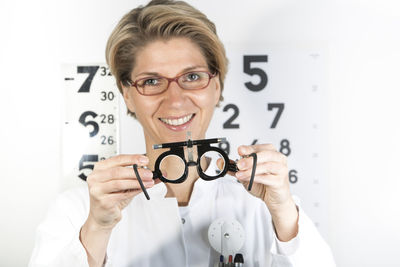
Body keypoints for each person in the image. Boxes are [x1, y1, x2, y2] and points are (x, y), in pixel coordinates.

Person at [29, 0, 336, 266]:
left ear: (216, 87)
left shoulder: (263, 204)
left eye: (192, 76)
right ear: (127, 95)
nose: (175, 100)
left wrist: (283, 212)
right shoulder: (79, 211)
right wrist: (97, 227)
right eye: (151, 81)